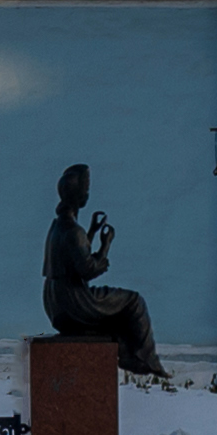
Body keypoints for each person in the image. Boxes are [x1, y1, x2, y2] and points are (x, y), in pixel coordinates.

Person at [43, 161, 167, 381]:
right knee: (133, 302)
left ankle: (127, 352)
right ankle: (142, 359)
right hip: (75, 301)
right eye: (87, 189)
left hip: (55, 303)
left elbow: (75, 258)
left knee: (114, 310)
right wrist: (106, 245)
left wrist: (91, 231)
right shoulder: (73, 231)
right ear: (80, 195)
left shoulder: (58, 226)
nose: (88, 194)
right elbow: (88, 270)